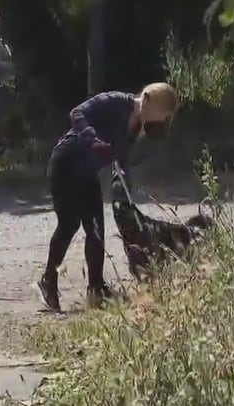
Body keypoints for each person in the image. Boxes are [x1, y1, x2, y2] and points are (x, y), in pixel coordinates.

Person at [37, 83, 181, 312]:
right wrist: (92, 139)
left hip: (87, 173)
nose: (161, 121)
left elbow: (119, 159)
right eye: (162, 114)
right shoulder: (116, 102)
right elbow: (77, 113)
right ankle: (48, 280)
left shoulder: (136, 127)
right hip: (65, 164)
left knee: (96, 229)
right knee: (69, 224)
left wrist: (121, 183)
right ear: (148, 101)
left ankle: (96, 289)